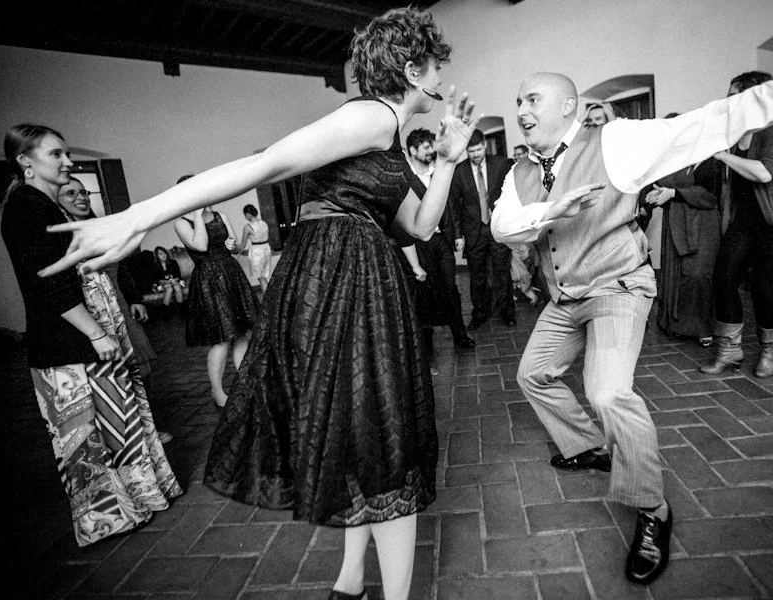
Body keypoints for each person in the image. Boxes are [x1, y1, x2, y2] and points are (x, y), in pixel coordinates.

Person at [41, 7, 479, 599]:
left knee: (361, 431)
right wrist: (136, 215)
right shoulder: (370, 116)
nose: (443, 79)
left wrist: (448, 162)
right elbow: (262, 165)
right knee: (382, 434)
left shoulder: (388, 136)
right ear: (412, 68)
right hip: (341, 287)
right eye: (436, 66)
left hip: (360, 285)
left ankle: (350, 581)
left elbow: (420, 227)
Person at [490, 2, 773, 584]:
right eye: (518, 101)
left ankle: (653, 509)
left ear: (569, 105)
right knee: (533, 375)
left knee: (607, 390)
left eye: (532, 100)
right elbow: (504, 228)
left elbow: (712, 122)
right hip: (566, 294)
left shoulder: (618, 141)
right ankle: (590, 448)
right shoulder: (518, 171)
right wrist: (549, 210)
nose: (520, 110)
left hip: (620, 284)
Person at [1, 124, 181, 547]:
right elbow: (47, 282)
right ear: (25, 162)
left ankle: (139, 498)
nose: (67, 162)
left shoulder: (47, 205)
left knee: (116, 423)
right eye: (56, 155)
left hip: (91, 338)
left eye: (67, 154)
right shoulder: (27, 208)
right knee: (84, 436)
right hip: (70, 344)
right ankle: (107, 519)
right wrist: (96, 332)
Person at [701, 71, 773, 379]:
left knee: (764, 288)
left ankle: (768, 352)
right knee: (722, 278)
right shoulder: (738, 132)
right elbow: (731, 187)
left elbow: (764, 172)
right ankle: (729, 350)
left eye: (734, 94)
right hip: (747, 221)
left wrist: (723, 155)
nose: (729, 100)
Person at [57, 177, 172, 443]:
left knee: (142, 371)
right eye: (71, 193)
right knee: (111, 376)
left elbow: (123, 269)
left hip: (121, 304)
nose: (81, 197)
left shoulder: (102, 229)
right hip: (95, 313)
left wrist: (135, 298)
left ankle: (148, 429)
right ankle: (127, 435)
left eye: (84, 192)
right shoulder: (63, 238)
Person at [174, 179, 259, 408]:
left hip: (231, 274)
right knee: (221, 340)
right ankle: (217, 391)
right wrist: (196, 215)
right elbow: (200, 246)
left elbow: (234, 248)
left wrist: (232, 245)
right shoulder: (182, 223)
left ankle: (244, 384)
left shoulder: (221, 215)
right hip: (209, 281)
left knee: (241, 333)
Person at [644, 115, 722, 347]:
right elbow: (663, 185)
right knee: (675, 274)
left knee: (698, 274)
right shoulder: (674, 158)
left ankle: (703, 328)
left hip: (703, 223)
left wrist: (674, 194)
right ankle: (676, 325)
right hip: (676, 222)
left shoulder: (711, 159)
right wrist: (658, 194)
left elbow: (711, 195)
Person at [402, 128, 475, 353]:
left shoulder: (439, 173)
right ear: (413, 151)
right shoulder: (405, 178)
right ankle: (426, 342)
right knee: (422, 292)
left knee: (450, 288)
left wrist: (455, 235)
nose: (431, 152)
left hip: (440, 240)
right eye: (426, 148)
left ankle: (460, 335)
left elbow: (451, 206)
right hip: (417, 244)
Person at [449, 129, 516, 329]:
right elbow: (454, 205)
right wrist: (458, 234)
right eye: (471, 151)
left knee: (502, 272)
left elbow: (513, 193)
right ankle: (479, 313)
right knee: (476, 276)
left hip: (497, 228)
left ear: (485, 145)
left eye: (478, 149)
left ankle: (507, 312)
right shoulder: (459, 172)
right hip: (473, 232)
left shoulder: (501, 164)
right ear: (466, 151)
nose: (476, 154)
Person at [238, 203, 273, 294]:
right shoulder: (264, 223)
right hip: (266, 249)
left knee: (261, 279)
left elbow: (243, 244)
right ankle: (270, 296)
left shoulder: (248, 227)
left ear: (248, 214)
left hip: (257, 252)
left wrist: (238, 255)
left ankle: (268, 300)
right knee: (264, 276)